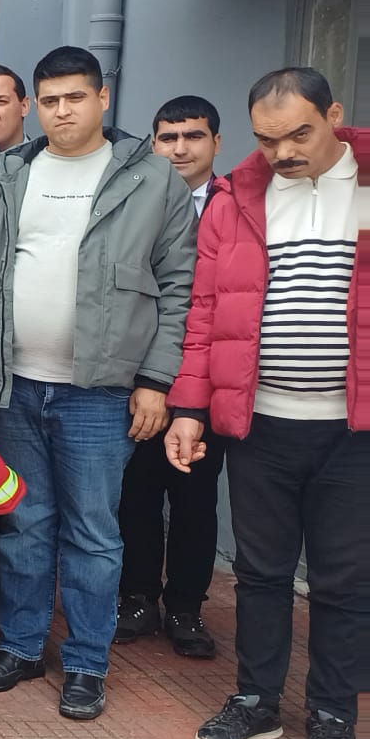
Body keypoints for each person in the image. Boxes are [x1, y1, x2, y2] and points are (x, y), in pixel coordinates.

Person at [0, 45, 196, 721]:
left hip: (101, 391)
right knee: (24, 525)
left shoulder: (150, 179)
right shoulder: (8, 176)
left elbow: (180, 286)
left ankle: (86, 661)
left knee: (92, 533)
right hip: (12, 386)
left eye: (75, 98)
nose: (62, 111)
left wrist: (156, 379)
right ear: (36, 105)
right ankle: (22, 646)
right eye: (51, 100)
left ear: (102, 98)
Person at [171, 68, 370, 739]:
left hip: (356, 432)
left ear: (334, 115)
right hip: (259, 423)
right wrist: (189, 408)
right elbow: (203, 315)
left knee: (346, 579)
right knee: (261, 572)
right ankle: (257, 700)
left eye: (299, 134)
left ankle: (334, 714)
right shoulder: (236, 200)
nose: (282, 152)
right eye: (266, 138)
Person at [115, 95, 226, 658]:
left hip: (207, 381)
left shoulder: (233, 207)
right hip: (141, 378)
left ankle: (185, 606)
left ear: (216, 143)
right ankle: (137, 597)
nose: (180, 148)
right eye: (168, 137)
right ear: (153, 143)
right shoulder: (137, 199)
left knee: (194, 498)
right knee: (137, 493)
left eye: (193, 136)